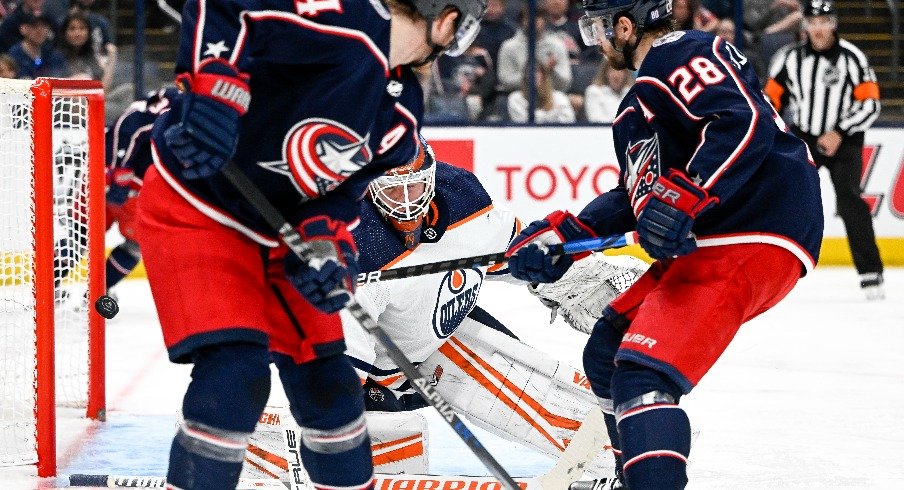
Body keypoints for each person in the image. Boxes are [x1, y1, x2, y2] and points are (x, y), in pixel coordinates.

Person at [139, 1, 487, 489]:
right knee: (236, 376)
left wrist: (327, 247)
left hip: (280, 231)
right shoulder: (337, 13)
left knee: (330, 388)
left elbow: (338, 193)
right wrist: (216, 90)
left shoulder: (402, 108)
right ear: (447, 20)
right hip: (202, 209)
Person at [506, 1, 824, 488]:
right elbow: (635, 198)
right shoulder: (634, 109)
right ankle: (632, 477)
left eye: (598, 29)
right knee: (607, 352)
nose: (598, 41)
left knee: (642, 376)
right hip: (717, 238)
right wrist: (563, 238)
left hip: (754, 227)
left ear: (626, 26)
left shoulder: (683, 52)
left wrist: (682, 197)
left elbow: (742, 122)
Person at [341, 136, 648, 476]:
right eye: (394, 191)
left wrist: (576, 277)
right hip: (376, 375)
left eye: (415, 187)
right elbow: (338, 372)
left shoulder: (462, 200)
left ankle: (644, 452)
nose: (408, 204)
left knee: (568, 415)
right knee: (393, 447)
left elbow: (520, 258)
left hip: (441, 335)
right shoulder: (356, 250)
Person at [765, 0, 884, 299]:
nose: (818, 29)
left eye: (824, 22)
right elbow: (769, 102)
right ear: (804, 25)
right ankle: (771, 269)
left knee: (850, 201)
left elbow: (870, 104)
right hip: (805, 135)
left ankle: (871, 274)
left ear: (834, 24)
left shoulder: (852, 57)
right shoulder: (788, 58)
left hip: (845, 138)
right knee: (787, 197)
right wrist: (775, 134)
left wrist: (839, 132)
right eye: (813, 22)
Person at [102, 88, 178, 297]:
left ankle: (47, 287)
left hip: (106, 175)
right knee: (135, 244)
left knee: (80, 233)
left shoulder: (161, 97)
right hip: (134, 186)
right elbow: (132, 125)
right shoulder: (178, 99)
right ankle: (97, 294)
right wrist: (120, 173)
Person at [507, 62, 576, 123]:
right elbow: (524, 123)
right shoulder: (515, 98)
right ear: (525, 76)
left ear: (544, 75)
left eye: (536, 71)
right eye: (529, 71)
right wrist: (553, 115)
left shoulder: (559, 97)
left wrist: (539, 117)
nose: (533, 75)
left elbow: (568, 122)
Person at [6, 11, 65, 79]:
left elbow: (63, 75)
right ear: (23, 29)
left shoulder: (51, 52)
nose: (40, 31)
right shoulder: (14, 55)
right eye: (34, 26)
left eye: (44, 26)